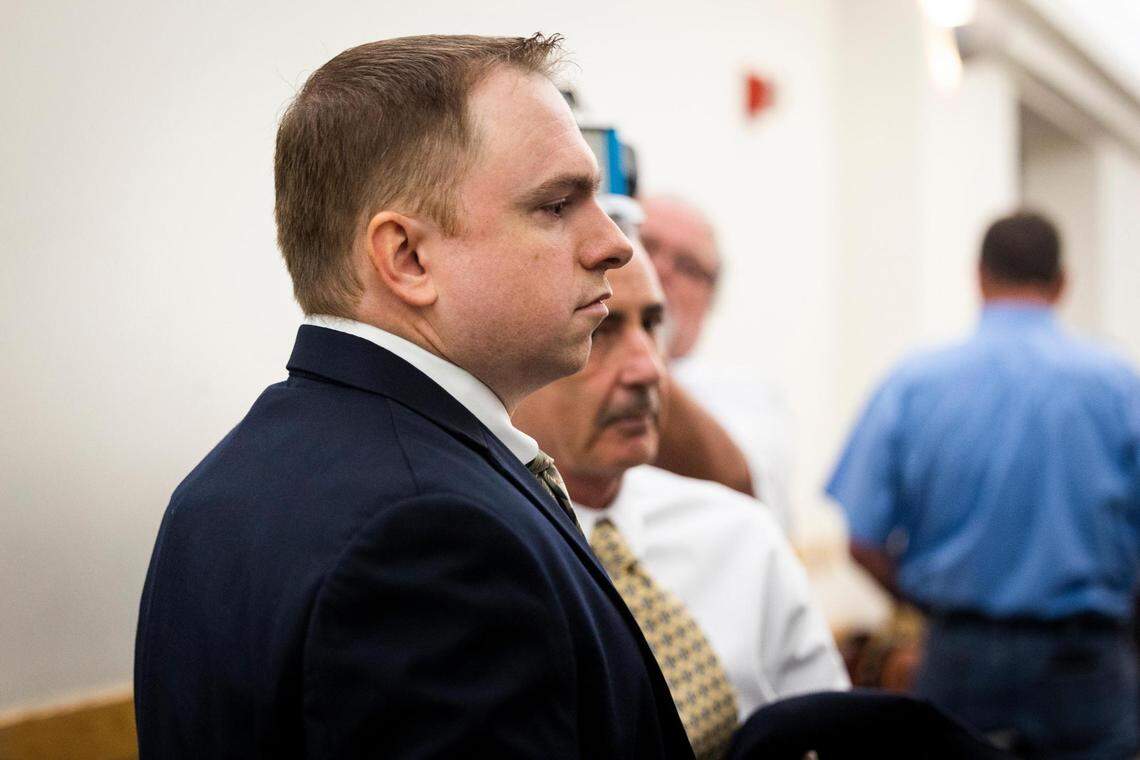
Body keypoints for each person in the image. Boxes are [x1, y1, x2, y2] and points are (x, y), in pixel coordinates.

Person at [134, 35, 695, 759]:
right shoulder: (433, 534)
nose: (615, 245)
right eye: (558, 205)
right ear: (407, 257)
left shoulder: (221, 483)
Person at [513, 238, 849, 758]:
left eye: (652, 324)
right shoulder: (482, 549)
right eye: (600, 330)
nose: (648, 369)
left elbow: (834, 733)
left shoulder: (739, 537)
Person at [827, 211, 1140, 757]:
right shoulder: (1119, 387)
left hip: (958, 656)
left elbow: (861, 540)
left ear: (979, 276)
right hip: (1087, 661)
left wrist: (928, 604)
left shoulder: (915, 383)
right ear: (1063, 280)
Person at [639, 196, 795, 530]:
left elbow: (744, 491)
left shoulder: (746, 395)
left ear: (711, 299)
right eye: (643, 245)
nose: (661, 270)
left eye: (688, 266)